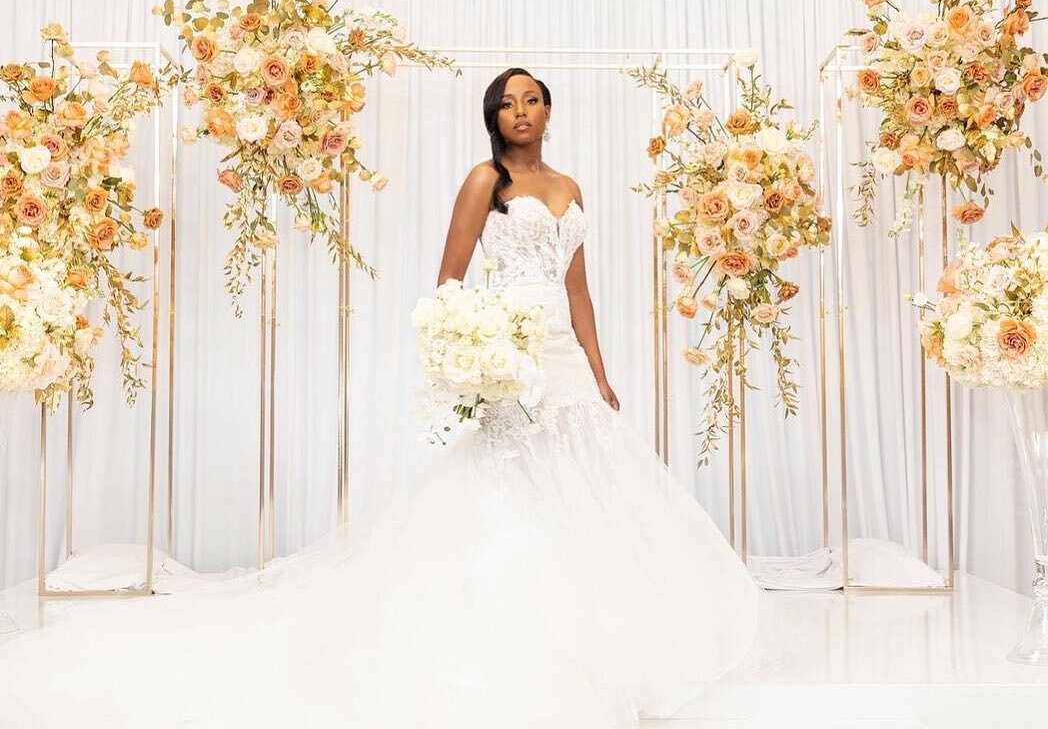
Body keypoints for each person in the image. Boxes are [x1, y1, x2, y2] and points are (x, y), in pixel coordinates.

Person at [0, 68, 759, 729]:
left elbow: (578, 285)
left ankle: (594, 647)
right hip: (510, 349)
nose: (520, 111)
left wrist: (598, 368)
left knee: (583, 485)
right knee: (510, 485)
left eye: (532, 100)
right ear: (493, 118)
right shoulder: (483, 181)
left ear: (550, 112)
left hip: (562, 350)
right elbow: (450, 278)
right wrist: (476, 347)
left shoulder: (569, 187)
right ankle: (508, 644)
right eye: (507, 103)